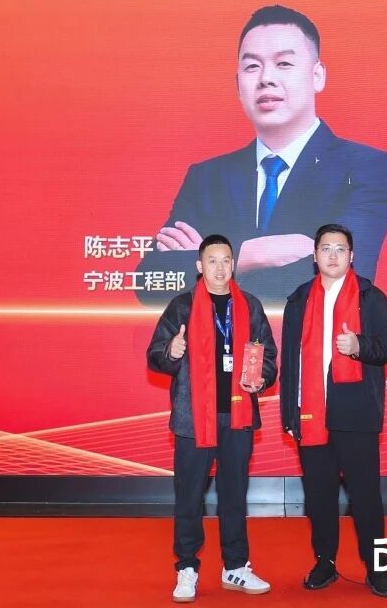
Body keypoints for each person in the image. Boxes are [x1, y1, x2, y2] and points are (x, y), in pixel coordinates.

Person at [137, 5, 387, 305]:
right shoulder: (207, 177)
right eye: (252, 66)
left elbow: (342, 277)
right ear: (238, 84)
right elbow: (151, 281)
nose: (266, 78)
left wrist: (208, 260)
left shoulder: (368, 167)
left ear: (317, 76)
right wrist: (248, 255)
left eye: (284, 63)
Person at [147, 234, 277, 602]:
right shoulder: (182, 307)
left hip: (237, 416)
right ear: (199, 265)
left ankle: (235, 566)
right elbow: (155, 354)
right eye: (212, 261)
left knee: (234, 496)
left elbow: (268, 355)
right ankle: (187, 567)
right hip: (193, 420)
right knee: (189, 497)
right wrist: (171, 351)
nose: (220, 268)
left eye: (226, 260)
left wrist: (262, 378)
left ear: (234, 264)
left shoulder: (249, 306)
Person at [279, 223, 387, 598]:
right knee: (319, 496)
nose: (333, 255)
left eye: (340, 249)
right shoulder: (299, 299)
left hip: (356, 413)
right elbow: (291, 362)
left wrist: (359, 345)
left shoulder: (370, 297)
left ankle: (377, 568)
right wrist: (289, 412)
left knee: (366, 496)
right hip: (311, 414)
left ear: (352, 256)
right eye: (326, 248)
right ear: (314, 256)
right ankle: (325, 562)